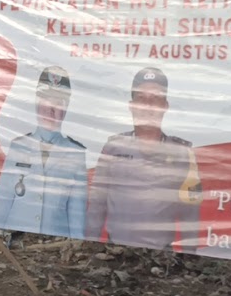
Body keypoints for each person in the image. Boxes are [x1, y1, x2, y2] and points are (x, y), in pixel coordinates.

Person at [86, 66, 201, 250]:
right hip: (116, 254)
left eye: (156, 98)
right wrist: (90, 249)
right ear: (131, 106)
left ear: (165, 106)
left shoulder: (182, 153)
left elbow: (190, 215)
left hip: (161, 258)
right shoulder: (114, 147)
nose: (148, 105)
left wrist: (190, 258)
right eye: (141, 98)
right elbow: (96, 207)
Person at [0, 66, 87, 241]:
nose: (51, 110)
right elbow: (3, 201)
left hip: (54, 245)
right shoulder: (18, 146)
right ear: (36, 103)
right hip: (16, 243)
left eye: (58, 103)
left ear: (66, 108)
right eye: (46, 100)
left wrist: (75, 246)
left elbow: (76, 213)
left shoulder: (75, 153)